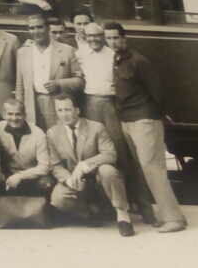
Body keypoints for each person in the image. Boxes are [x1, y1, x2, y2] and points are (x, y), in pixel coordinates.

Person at [105, 22, 187, 233]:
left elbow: (156, 91)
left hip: (144, 120)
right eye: (109, 38)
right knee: (146, 168)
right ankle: (169, 215)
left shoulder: (139, 61)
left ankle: (174, 219)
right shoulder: (116, 60)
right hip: (127, 120)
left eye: (116, 38)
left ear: (124, 38)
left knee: (154, 169)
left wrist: (154, 117)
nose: (113, 42)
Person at [76, 21, 154, 225]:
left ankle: (144, 207)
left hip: (111, 105)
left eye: (97, 36)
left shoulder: (113, 55)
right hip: (91, 104)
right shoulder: (80, 53)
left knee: (123, 154)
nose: (93, 39)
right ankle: (103, 208)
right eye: (89, 36)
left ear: (103, 37)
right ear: (84, 37)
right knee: (93, 154)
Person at [46, 100, 133, 236]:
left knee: (107, 170)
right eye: (60, 110)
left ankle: (122, 215)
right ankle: (90, 213)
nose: (64, 115)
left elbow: (110, 154)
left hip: (98, 179)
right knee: (58, 199)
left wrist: (84, 165)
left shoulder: (96, 128)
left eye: (68, 110)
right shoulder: (52, 133)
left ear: (77, 110)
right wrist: (69, 180)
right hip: (76, 182)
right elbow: (55, 165)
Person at [14, 13, 83, 131]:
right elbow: (20, 85)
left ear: (47, 28)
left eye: (40, 27)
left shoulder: (67, 50)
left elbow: (80, 82)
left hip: (58, 103)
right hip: (32, 105)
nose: (36, 31)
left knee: (59, 139)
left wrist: (59, 83)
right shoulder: (23, 52)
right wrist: (19, 108)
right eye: (32, 28)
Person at [0, 99, 54, 199]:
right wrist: (1, 176)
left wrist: (20, 176)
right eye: (10, 114)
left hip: (31, 175)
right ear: (4, 115)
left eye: (18, 114)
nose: (14, 118)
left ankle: (41, 212)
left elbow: (45, 166)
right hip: (7, 175)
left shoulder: (38, 134)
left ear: (25, 115)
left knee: (46, 183)